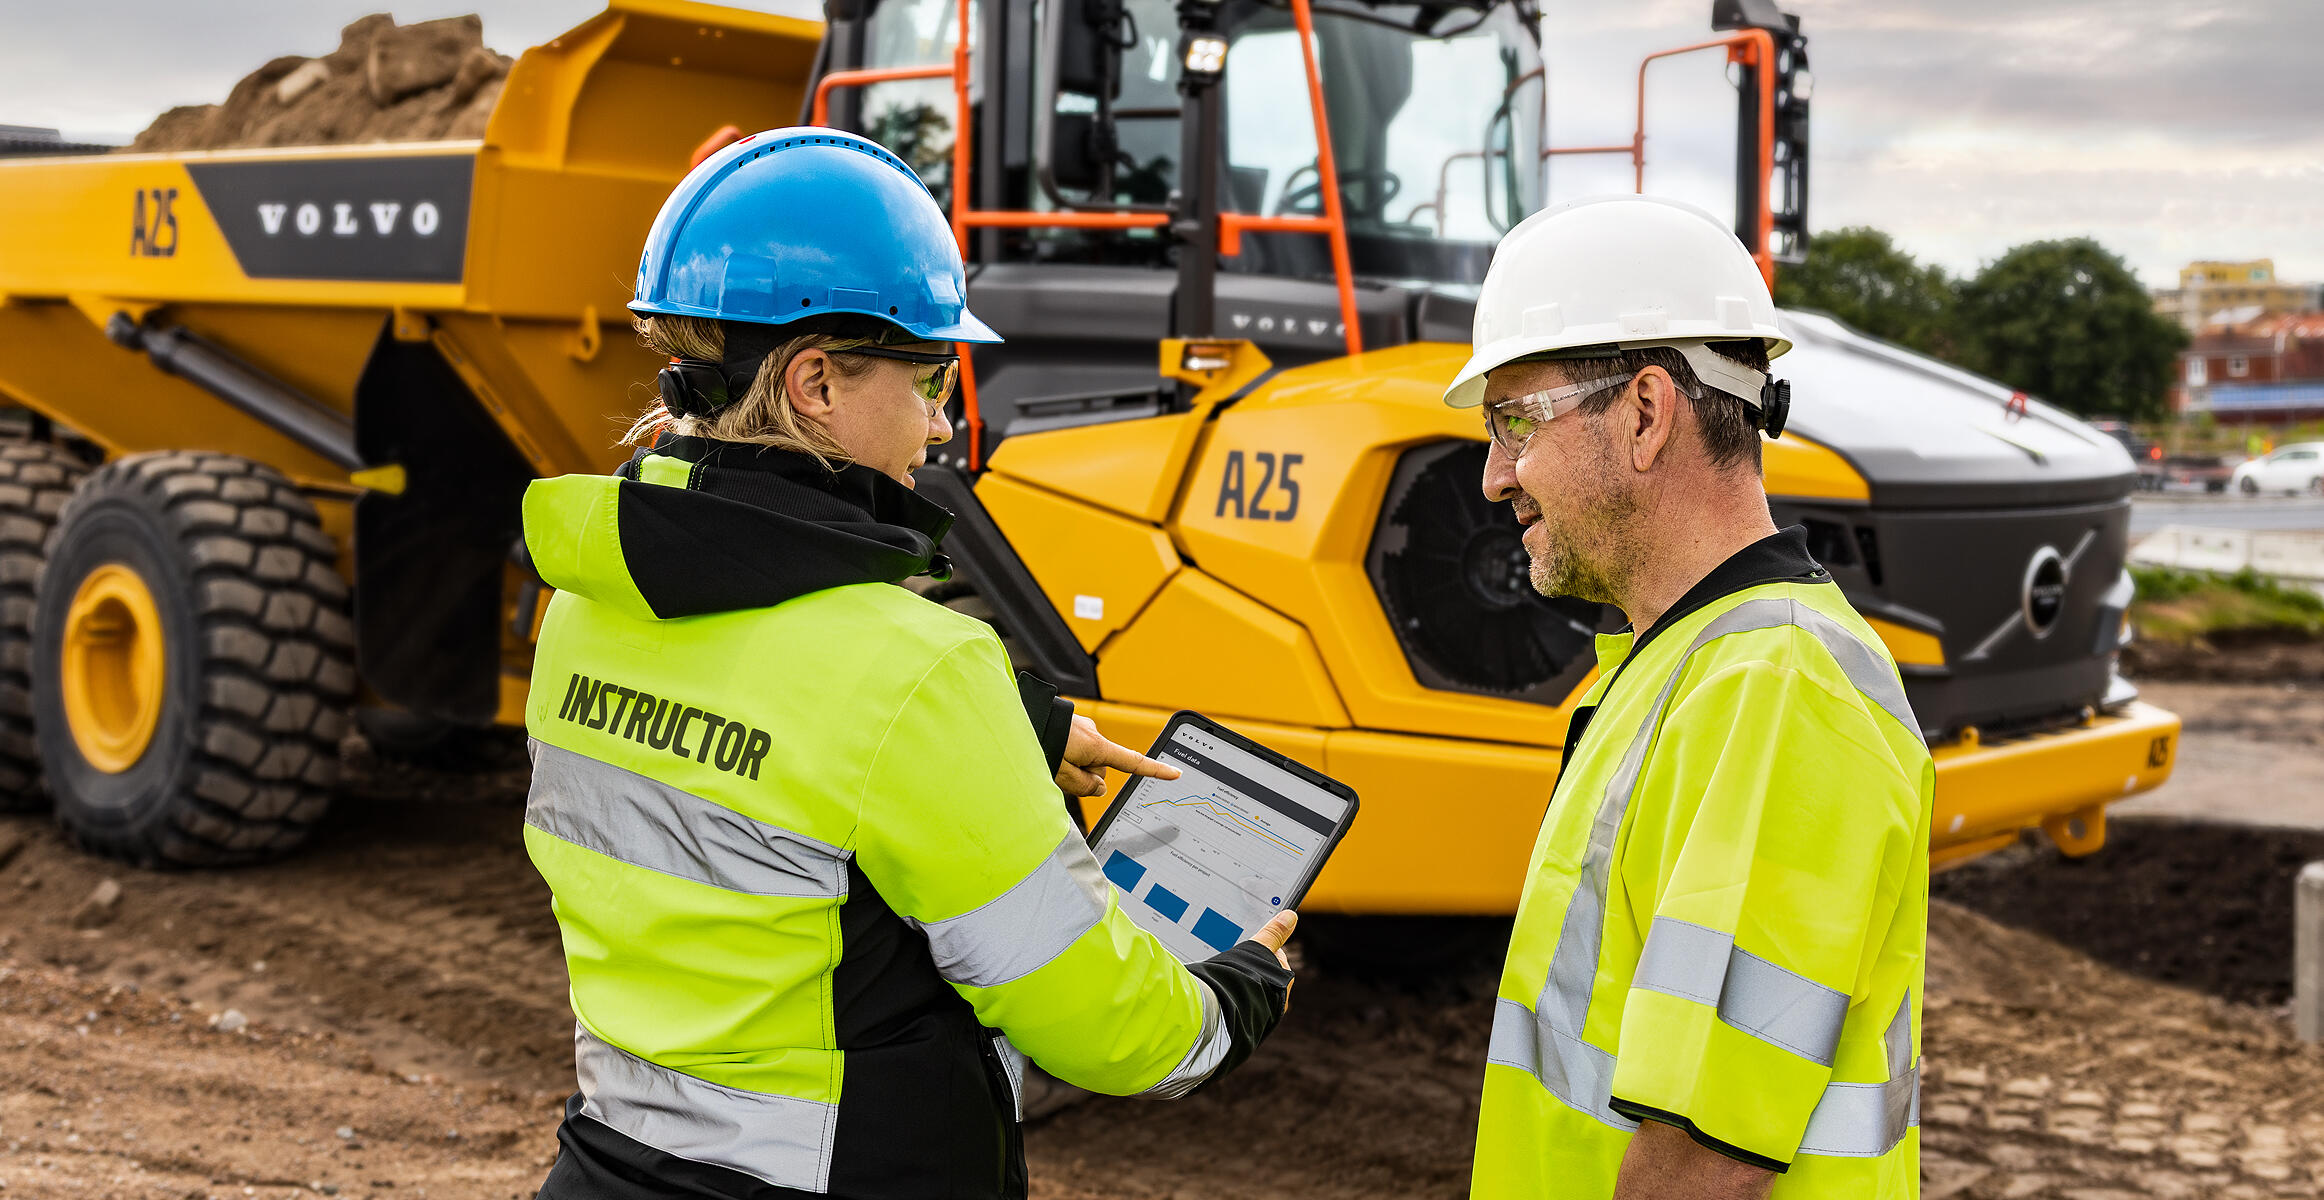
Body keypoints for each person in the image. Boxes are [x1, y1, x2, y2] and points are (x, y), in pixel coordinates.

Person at [519, 128, 1298, 1200]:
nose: (940, 418)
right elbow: (1121, 1038)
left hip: (609, 1171)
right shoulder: (918, 672)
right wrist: (1242, 985)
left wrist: (1008, 730)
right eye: (930, 373)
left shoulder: (580, 609)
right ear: (815, 384)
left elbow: (759, 742)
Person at [1443, 195, 1935, 1199]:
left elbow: (1699, 1162)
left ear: (1644, 413)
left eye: (1513, 422)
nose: (1494, 476)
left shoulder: (1777, 690)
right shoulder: (1675, 663)